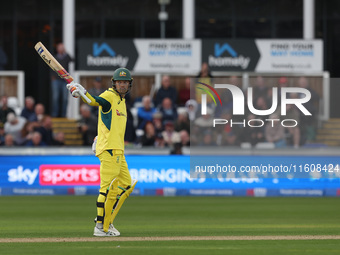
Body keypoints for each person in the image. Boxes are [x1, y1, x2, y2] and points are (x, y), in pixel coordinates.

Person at [67, 67, 137, 237]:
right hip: (109, 151)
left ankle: (106, 217)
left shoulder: (122, 101)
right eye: (119, 82)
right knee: (106, 189)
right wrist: (82, 92)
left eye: (124, 83)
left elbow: (108, 122)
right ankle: (100, 226)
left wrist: (99, 136)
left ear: (129, 85)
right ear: (114, 83)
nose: (121, 85)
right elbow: (94, 101)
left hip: (119, 150)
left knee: (126, 185)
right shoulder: (109, 95)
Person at [51, 43, 72, 117]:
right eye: (60, 48)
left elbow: (72, 59)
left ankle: (64, 115)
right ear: (57, 49)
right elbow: (51, 66)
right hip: (56, 80)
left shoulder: (66, 57)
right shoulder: (54, 57)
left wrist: (65, 52)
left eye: (62, 48)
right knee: (55, 98)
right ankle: (55, 114)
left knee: (65, 99)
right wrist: (52, 76)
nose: (61, 49)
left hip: (64, 80)